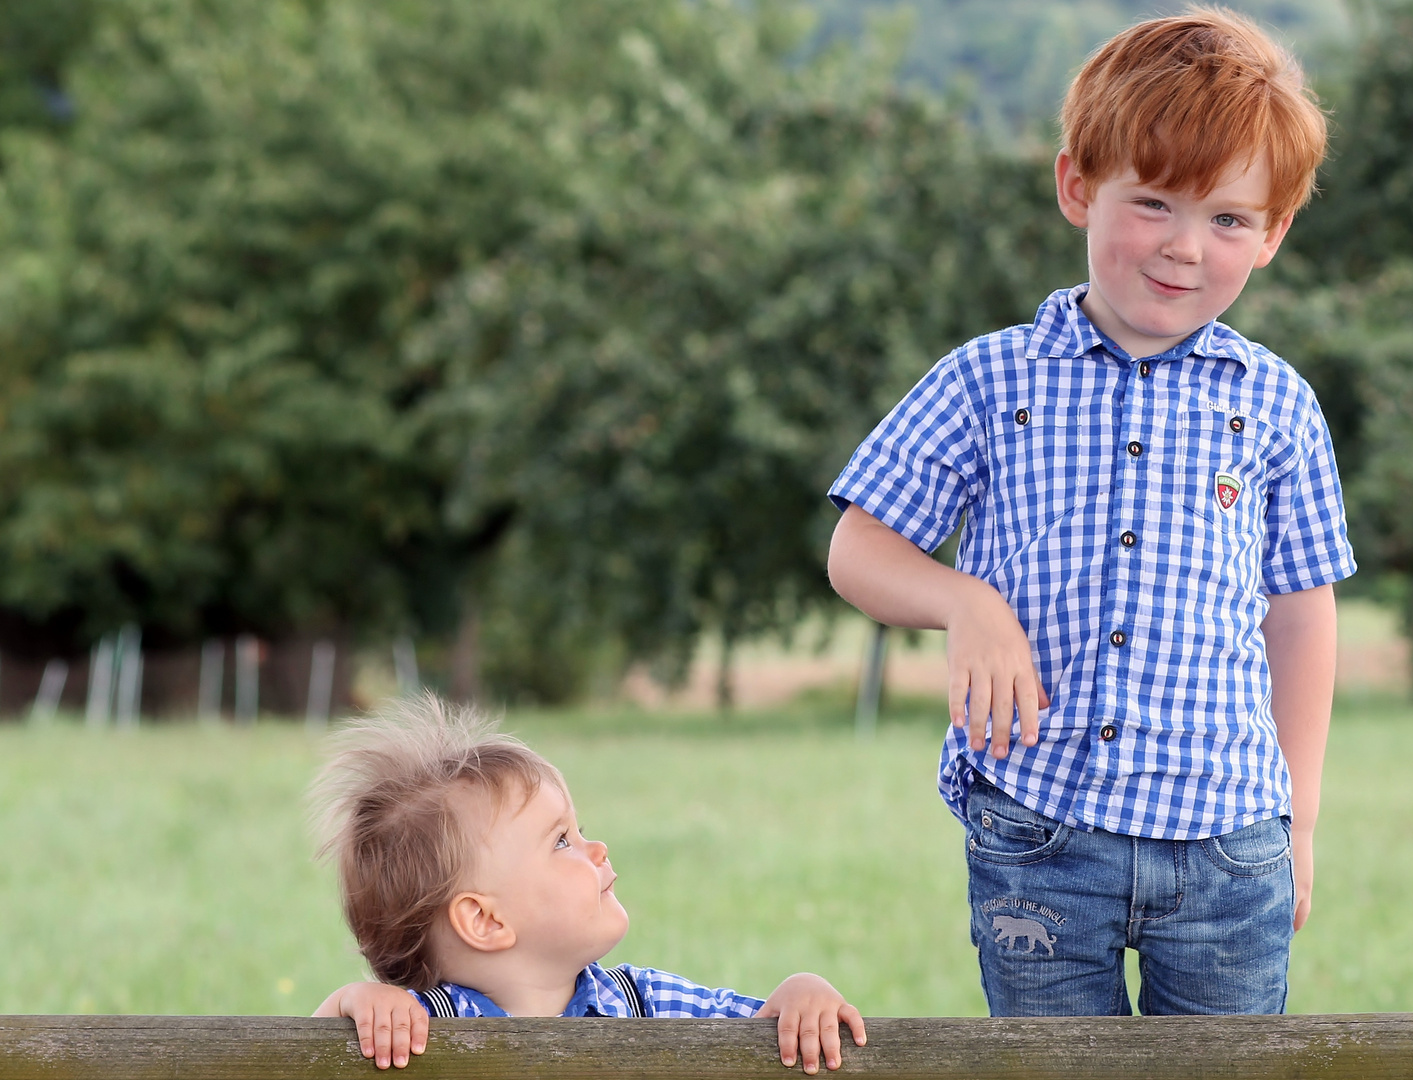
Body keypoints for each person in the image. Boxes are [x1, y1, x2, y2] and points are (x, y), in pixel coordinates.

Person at [825, 8, 1354, 1017]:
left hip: (1231, 845)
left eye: (1230, 219)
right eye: (1153, 203)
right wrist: (966, 599)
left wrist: (1302, 821)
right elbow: (859, 547)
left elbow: (1301, 611)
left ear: (1275, 233)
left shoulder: (1277, 403)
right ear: (1078, 186)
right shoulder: (988, 381)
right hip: (1040, 832)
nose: (1186, 248)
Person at [309, 695, 865, 1071]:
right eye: (561, 842)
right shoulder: (421, 1027)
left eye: (581, 831)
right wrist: (351, 1005)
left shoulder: (644, 1004)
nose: (596, 850)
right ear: (485, 920)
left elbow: (761, 1029)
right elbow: (299, 1061)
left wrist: (799, 993)